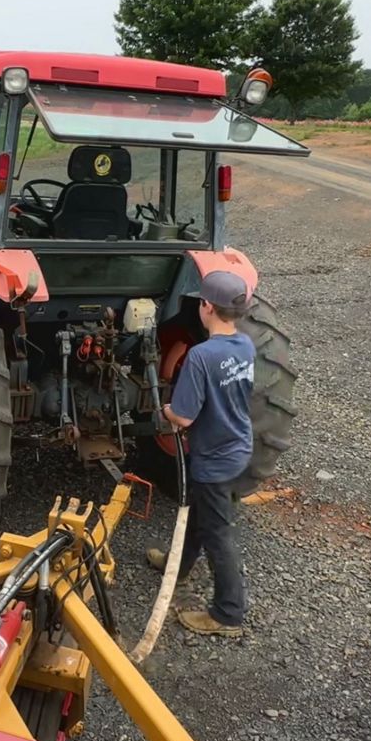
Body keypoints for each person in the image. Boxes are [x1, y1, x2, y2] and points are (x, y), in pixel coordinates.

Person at [147, 270, 256, 637]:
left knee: (218, 532)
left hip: (214, 458)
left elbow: (184, 416)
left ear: (206, 307)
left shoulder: (200, 357)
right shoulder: (246, 345)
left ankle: (228, 614)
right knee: (198, 508)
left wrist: (163, 411)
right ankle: (178, 566)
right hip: (238, 446)